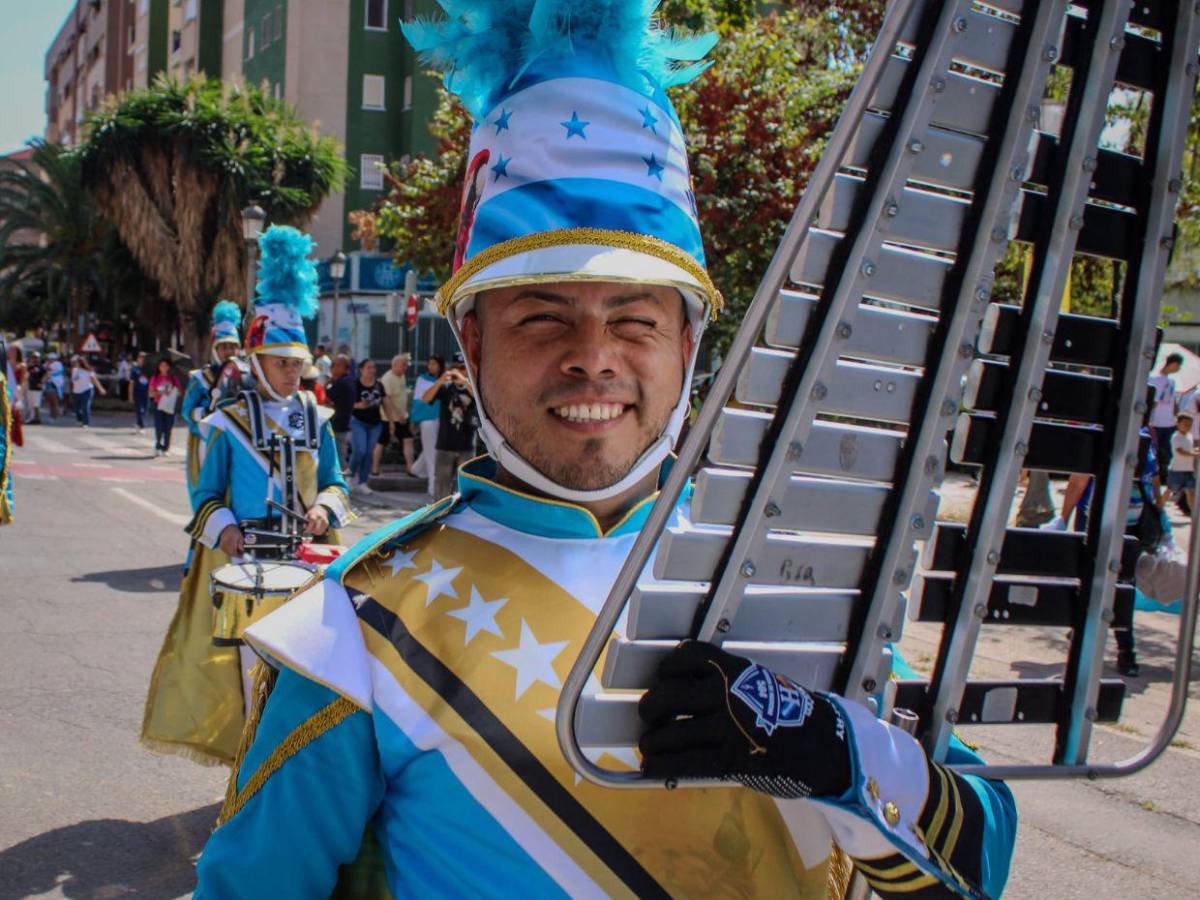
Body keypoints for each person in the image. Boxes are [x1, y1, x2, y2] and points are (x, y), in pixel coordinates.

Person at [196, 7, 1015, 898]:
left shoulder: (801, 580)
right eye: (542, 316)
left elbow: (982, 861)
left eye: (636, 320)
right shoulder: (357, 627)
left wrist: (844, 759)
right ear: (472, 342)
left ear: (689, 345)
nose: (593, 356)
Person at [141, 225, 354, 767]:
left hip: (304, 562)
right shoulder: (226, 422)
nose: (292, 372)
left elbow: (337, 482)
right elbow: (206, 495)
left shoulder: (318, 418)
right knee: (248, 675)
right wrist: (227, 529)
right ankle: (251, 770)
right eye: (281, 362)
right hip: (244, 564)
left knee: (305, 677)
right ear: (256, 362)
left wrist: (323, 508)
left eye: (297, 363)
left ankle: (289, 769)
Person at [181, 301, 247, 502]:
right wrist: (205, 413)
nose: (229, 351)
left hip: (236, 438)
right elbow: (186, 410)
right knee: (209, 491)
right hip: (205, 440)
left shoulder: (245, 376)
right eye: (224, 346)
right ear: (215, 349)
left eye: (233, 346)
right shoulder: (200, 378)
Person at [423, 354, 478, 498]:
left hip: (467, 445)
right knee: (441, 486)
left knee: (465, 488)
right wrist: (439, 382)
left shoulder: (473, 387)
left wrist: (465, 382)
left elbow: (482, 402)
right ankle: (441, 511)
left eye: (462, 368)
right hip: (445, 444)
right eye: (455, 368)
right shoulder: (446, 387)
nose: (459, 371)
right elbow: (425, 398)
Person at [348, 357, 384, 493]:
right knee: (360, 451)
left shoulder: (379, 385)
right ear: (361, 370)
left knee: (369, 453)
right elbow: (347, 404)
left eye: (373, 367)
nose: (372, 370)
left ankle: (363, 482)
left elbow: (386, 402)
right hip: (358, 422)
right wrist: (359, 405)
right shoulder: (354, 384)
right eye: (369, 367)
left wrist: (392, 421)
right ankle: (350, 477)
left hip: (376, 424)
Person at [409, 353, 443, 496]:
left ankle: (416, 469)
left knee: (433, 449)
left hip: (442, 419)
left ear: (440, 365)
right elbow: (419, 401)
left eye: (434, 364)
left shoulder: (446, 379)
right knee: (432, 453)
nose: (431, 366)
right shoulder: (422, 379)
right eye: (429, 364)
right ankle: (432, 486)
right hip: (427, 420)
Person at [376, 352, 412, 477]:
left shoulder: (401, 376)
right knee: (381, 443)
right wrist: (396, 416)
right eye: (403, 365)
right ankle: (375, 469)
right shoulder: (387, 379)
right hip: (388, 418)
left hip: (401, 417)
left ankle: (410, 468)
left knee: (408, 440)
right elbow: (387, 400)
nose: (405, 368)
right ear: (395, 365)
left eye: (406, 365)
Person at [1148, 352, 1183, 470]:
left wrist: (1178, 418)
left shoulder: (1171, 381)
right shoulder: (1154, 379)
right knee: (1155, 452)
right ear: (1173, 364)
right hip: (1156, 423)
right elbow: (1153, 401)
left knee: (1167, 454)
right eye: (1178, 365)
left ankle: (1164, 474)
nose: (1179, 369)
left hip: (1169, 423)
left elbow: (1174, 403)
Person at [325, 353, 355, 473]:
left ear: (343, 367)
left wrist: (328, 384)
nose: (332, 368)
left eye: (335, 365)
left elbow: (328, 398)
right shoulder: (347, 381)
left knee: (338, 458)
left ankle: (343, 480)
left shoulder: (342, 383)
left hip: (338, 426)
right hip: (343, 425)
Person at [149, 359, 182, 456]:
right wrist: (161, 392)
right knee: (159, 427)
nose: (163, 367)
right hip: (158, 405)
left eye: (165, 365)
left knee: (168, 427)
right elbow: (151, 393)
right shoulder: (155, 378)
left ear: (169, 367)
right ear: (159, 367)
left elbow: (180, 392)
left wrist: (172, 391)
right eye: (161, 365)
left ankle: (165, 448)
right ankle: (158, 446)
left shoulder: (173, 379)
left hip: (169, 405)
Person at [1167, 412, 1196, 515]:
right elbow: (1180, 451)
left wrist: (1196, 451)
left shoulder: (1190, 436)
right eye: (1185, 424)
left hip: (1188, 470)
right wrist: (1195, 454)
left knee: (1191, 493)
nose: (1188, 426)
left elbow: (1190, 449)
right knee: (1169, 490)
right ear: (1178, 424)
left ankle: (1193, 514)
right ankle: (1158, 507)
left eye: (1190, 425)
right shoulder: (1176, 437)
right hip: (1177, 470)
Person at [70, 355, 106, 427]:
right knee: (76, 409)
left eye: (76, 362)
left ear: (81, 363)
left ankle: (85, 423)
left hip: (87, 390)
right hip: (76, 392)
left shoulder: (88, 371)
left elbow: (95, 380)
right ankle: (80, 419)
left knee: (85, 407)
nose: (74, 363)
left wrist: (100, 388)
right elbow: (73, 381)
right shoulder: (74, 370)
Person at [128, 351, 150, 434]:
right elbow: (131, 383)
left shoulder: (148, 370)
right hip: (137, 393)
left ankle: (138, 424)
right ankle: (142, 426)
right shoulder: (135, 370)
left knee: (145, 410)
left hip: (146, 393)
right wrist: (130, 395)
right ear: (138, 359)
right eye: (141, 358)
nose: (142, 359)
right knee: (140, 410)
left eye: (144, 358)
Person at [25, 352, 44, 425]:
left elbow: (46, 375)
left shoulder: (41, 367)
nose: (35, 359)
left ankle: (38, 418)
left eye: (36, 357)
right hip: (30, 387)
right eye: (33, 357)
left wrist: (41, 382)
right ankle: (32, 418)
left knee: (36, 404)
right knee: (30, 404)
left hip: (37, 388)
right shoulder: (29, 367)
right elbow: (25, 375)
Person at [45, 352, 64, 420]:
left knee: (54, 401)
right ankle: (53, 415)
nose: (49, 360)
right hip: (52, 383)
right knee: (52, 401)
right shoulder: (56, 364)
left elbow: (46, 368)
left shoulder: (57, 364)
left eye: (50, 359)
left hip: (55, 384)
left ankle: (55, 415)